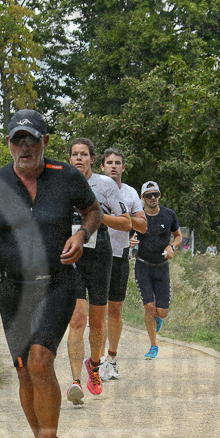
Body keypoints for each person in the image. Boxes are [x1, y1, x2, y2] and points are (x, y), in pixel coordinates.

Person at [0, 109, 101, 438]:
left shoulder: (67, 177)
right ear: (8, 144)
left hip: (57, 281)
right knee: (25, 372)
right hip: (14, 289)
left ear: (44, 142)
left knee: (41, 362)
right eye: (17, 140)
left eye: (31, 139)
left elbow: (93, 211)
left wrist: (82, 236)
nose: (24, 147)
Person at [64, 139, 131, 404]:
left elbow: (126, 223)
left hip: (101, 252)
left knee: (98, 321)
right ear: (69, 159)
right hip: (73, 253)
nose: (78, 159)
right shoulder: (62, 183)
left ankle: (94, 365)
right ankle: (75, 381)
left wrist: (98, 217)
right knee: (77, 319)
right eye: (74, 154)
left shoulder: (105, 186)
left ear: (93, 159)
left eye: (84, 155)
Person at [95, 147, 147, 382]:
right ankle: (94, 360)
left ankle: (112, 361)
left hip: (119, 255)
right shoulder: (93, 188)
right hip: (94, 254)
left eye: (118, 163)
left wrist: (124, 219)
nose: (113, 166)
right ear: (102, 167)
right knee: (96, 311)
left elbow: (143, 226)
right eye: (109, 162)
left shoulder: (130, 193)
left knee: (115, 311)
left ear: (123, 168)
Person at [130, 181, 182, 360]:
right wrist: (130, 243)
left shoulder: (169, 215)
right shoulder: (137, 217)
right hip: (143, 265)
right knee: (149, 307)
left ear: (159, 195)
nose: (153, 198)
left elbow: (178, 236)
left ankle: (157, 319)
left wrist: (172, 247)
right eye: (149, 195)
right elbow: (127, 237)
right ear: (142, 198)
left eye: (156, 194)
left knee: (162, 312)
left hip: (161, 267)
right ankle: (153, 346)